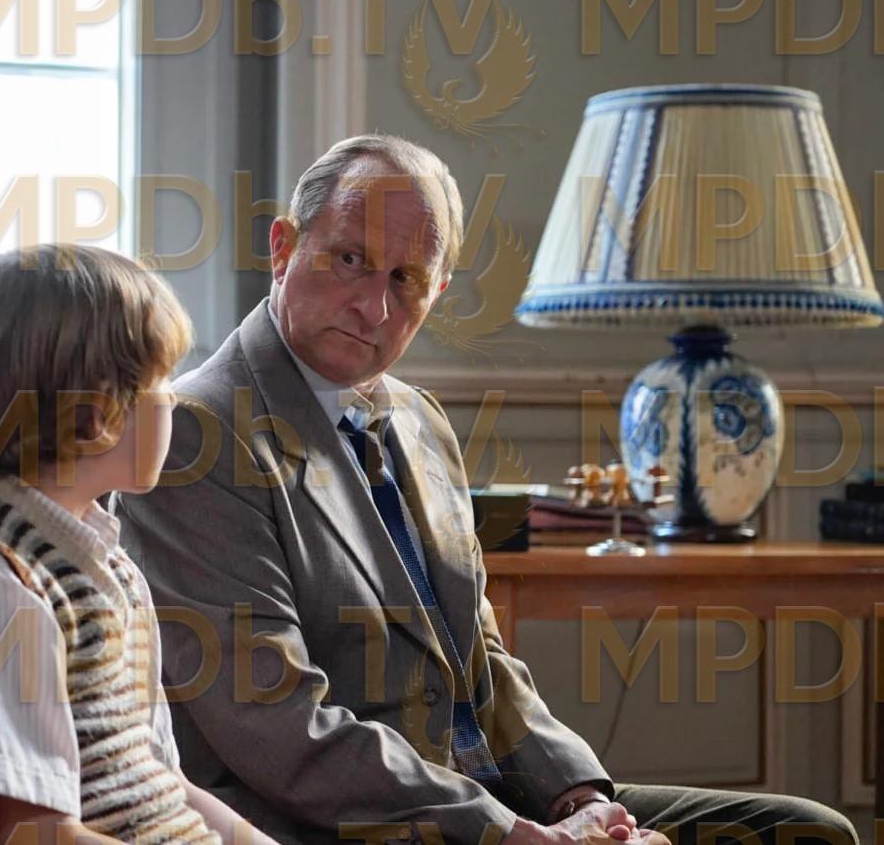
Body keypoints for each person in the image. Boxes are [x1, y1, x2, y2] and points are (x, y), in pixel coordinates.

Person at [113, 134, 859, 845]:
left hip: (504, 801)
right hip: (351, 823)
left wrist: (584, 803)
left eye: (405, 279)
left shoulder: (419, 420)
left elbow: (484, 660)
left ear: (436, 291)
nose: (374, 307)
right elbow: (282, 728)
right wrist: (510, 833)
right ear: (283, 248)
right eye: (350, 259)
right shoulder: (194, 434)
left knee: (807, 831)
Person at [0, 245, 281, 845]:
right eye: (160, 381)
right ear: (96, 413)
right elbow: (33, 833)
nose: (174, 398)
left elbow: (162, 781)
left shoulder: (104, 562)